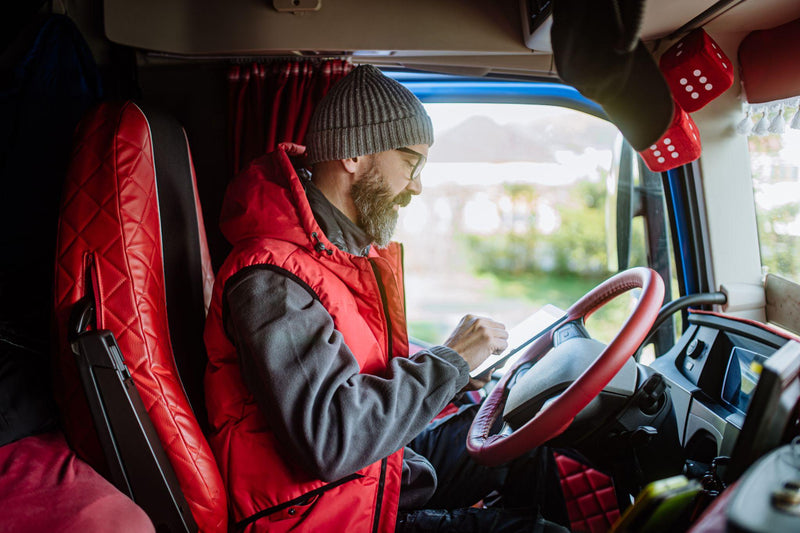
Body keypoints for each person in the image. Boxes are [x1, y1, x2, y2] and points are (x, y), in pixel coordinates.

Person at [204, 64, 567, 532]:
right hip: (323, 515)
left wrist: (457, 375)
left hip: (375, 474)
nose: (416, 186)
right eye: (411, 163)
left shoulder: (341, 255)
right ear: (354, 154)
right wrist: (449, 361)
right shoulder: (271, 278)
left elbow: (362, 382)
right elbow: (334, 438)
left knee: (520, 420)